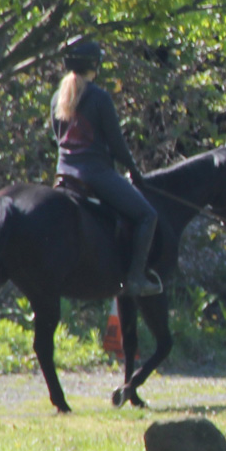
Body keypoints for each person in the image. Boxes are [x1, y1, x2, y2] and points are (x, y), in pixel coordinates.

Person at [51, 37, 162, 296]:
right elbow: (117, 143)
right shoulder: (99, 97)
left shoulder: (57, 97)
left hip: (63, 175)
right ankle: (135, 278)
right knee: (148, 216)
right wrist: (134, 171)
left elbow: (56, 138)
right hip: (95, 175)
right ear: (94, 65)